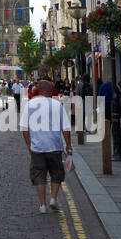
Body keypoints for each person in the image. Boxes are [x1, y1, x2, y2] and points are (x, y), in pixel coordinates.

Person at [23, 78, 72, 214]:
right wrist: (68, 145)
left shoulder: (30, 105)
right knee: (56, 174)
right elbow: (66, 128)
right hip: (54, 146)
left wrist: (28, 144)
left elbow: (24, 128)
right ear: (51, 91)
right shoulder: (57, 105)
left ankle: (43, 205)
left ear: (39, 89)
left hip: (37, 147)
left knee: (39, 175)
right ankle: (53, 199)